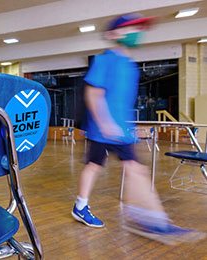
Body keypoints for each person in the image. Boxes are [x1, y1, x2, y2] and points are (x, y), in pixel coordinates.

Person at [71, 14, 205, 245]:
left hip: (121, 131)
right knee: (94, 167)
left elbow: (122, 103)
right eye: (129, 28)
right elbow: (93, 94)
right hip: (102, 130)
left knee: (136, 171)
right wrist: (104, 123)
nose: (135, 32)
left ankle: (153, 222)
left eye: (137, 28)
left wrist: (130, 128)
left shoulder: (130, 67)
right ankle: (81, 207)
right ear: (113, 34)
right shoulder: (105, 60)